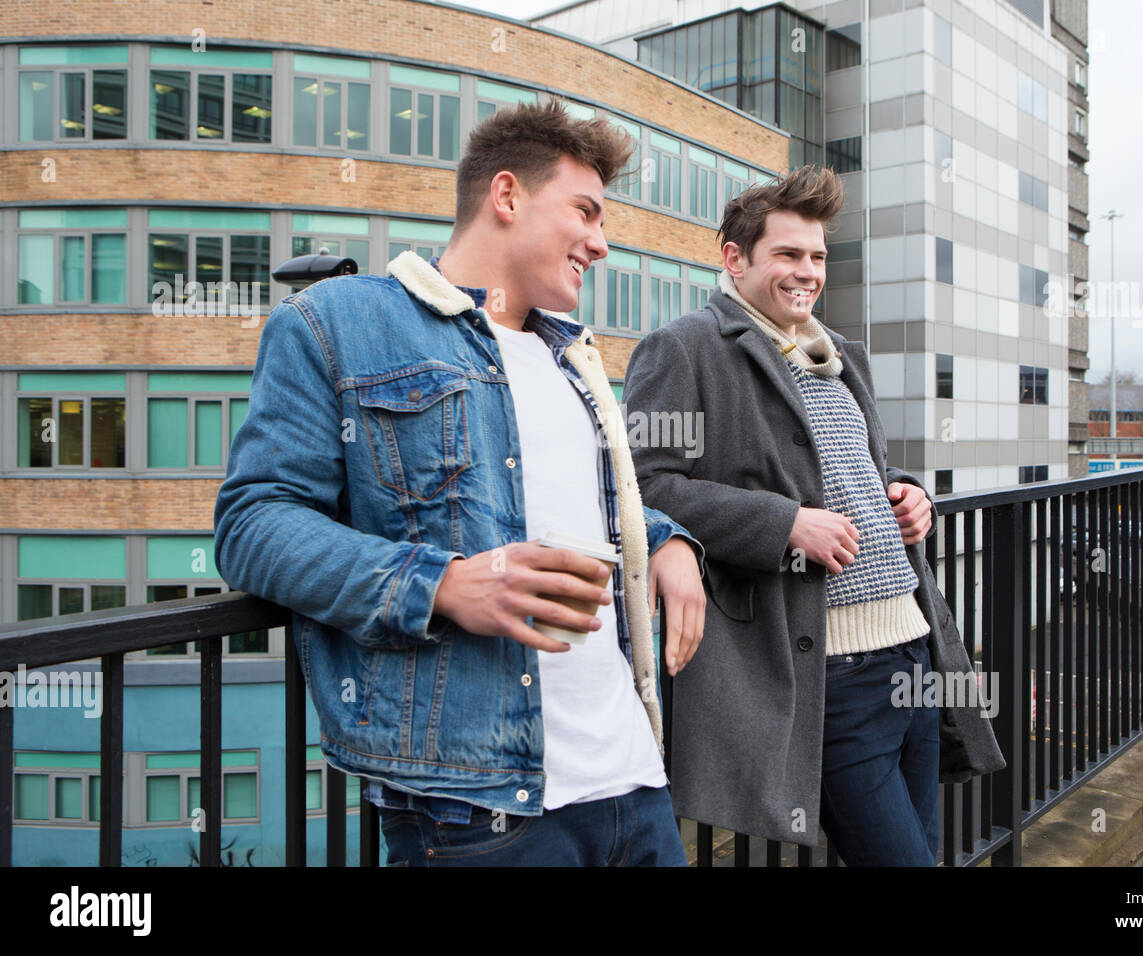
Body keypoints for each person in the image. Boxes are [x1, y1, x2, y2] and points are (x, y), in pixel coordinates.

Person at [214, 102, 706, 867]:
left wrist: (668, 540)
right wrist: (441, 585)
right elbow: (253, 526)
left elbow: (577, 501)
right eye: (585, 211)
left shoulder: (573, 359)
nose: (601, 243)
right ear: (506, 197)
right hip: (476, 811)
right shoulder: (336, 322)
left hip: (634, 783)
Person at [623, 166, 1004, 866]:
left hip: (913, 650)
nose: (807, 272)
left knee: (925, 850)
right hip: (825, 672)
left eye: (818, 256)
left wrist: (908, 493)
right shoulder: (686, 348)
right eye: (788, 255)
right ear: (736, 259)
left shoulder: (841, 355)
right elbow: (643, 487)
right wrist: (782, 524)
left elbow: (855, 467)